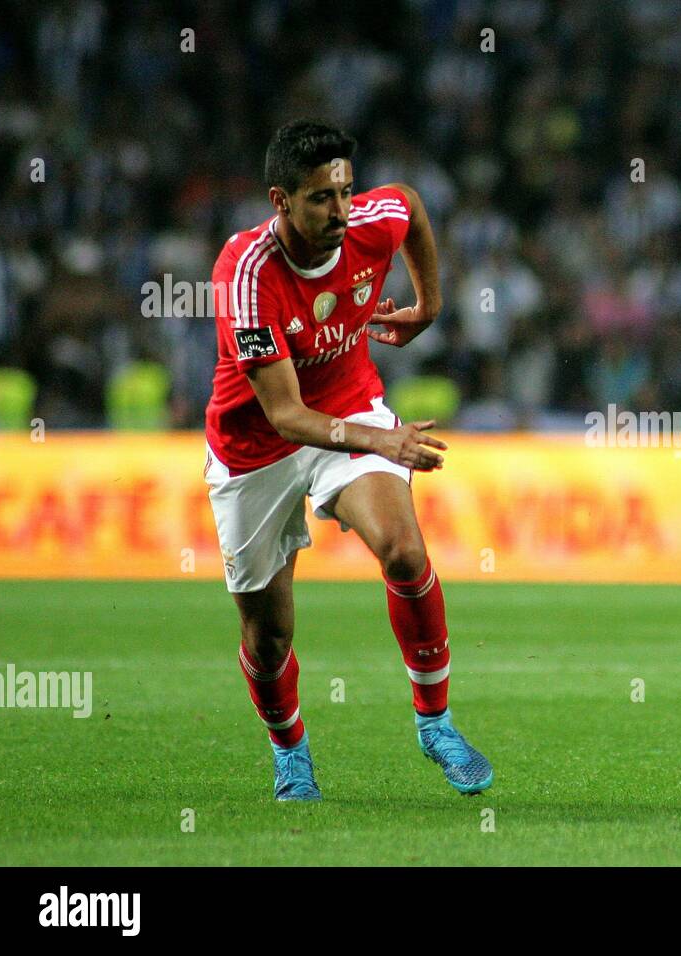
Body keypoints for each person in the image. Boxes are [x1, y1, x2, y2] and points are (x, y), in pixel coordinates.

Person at [204, 120, 492, 801]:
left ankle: (436, 722)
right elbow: (285, 415)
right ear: (280, 201)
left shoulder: (372, 218)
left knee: (402, 550)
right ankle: (291, 750)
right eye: (320, 200)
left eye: (345, 192)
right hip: (257, 448)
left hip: (350, 404)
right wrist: (383, 440)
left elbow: (412, 206)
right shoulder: (245, 276)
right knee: (269, 637)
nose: (340, 212)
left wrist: (430, 304)